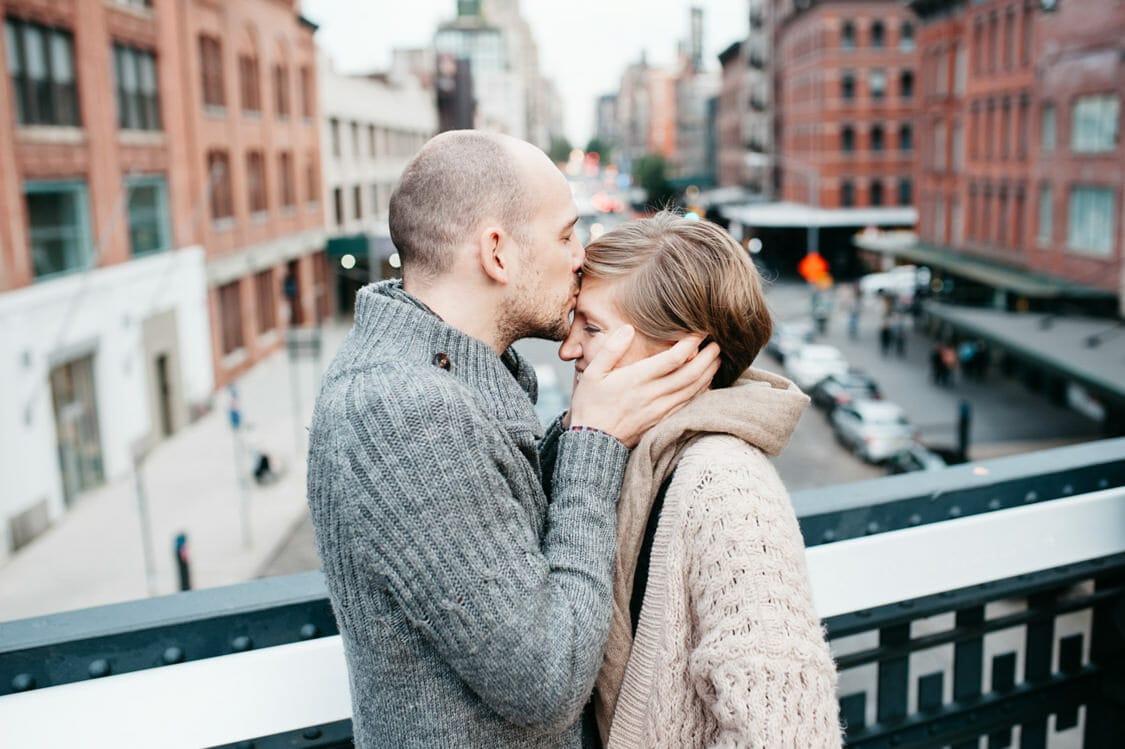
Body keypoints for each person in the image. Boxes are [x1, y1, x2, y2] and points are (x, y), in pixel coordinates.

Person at [305, 131, 720, 748]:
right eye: (565, 235)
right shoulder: (400, 411)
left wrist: (589, 424)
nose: (582, 257)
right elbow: (546, 681)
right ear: (497, 253)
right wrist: (593, 440)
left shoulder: (440, 380)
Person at [559, 213, 841, 748]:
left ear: (681, 353)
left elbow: (787, 734)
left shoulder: (727, 486)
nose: (568, 348)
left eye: (591, 328)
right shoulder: (629, 450)